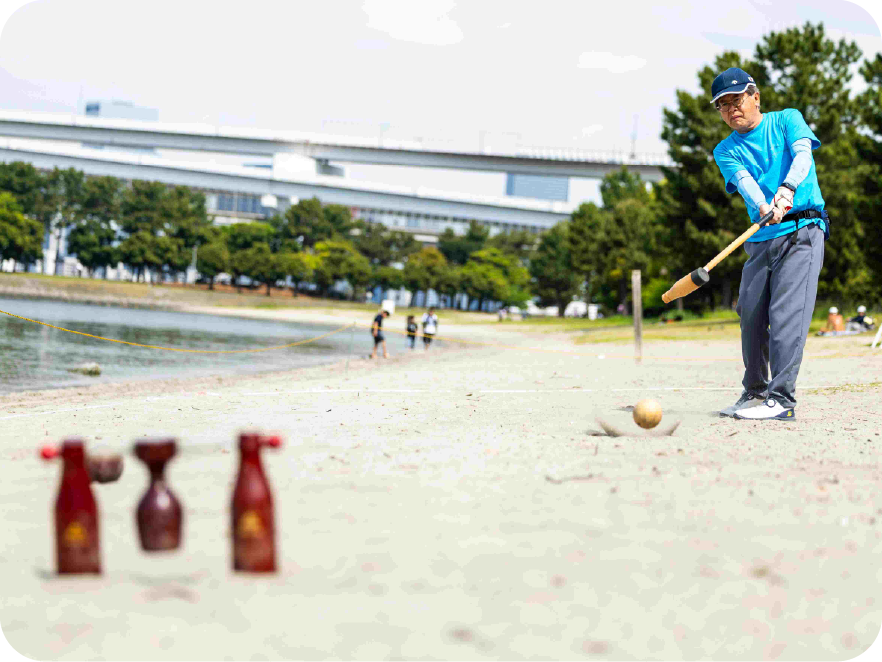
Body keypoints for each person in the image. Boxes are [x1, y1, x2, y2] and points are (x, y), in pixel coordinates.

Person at [710, 68, 829, 420]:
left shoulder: (787, 120)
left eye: (737, 100)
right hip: (762, 238)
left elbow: (804, 156)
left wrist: (787, 190)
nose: (732, 110)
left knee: (785, 314)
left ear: (755, 97)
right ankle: (755, 392)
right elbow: (746, 184)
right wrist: (764, 206)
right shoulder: (724, 150)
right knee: (750, 312)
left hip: (802, 232)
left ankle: (782, 400)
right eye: (723, 106)